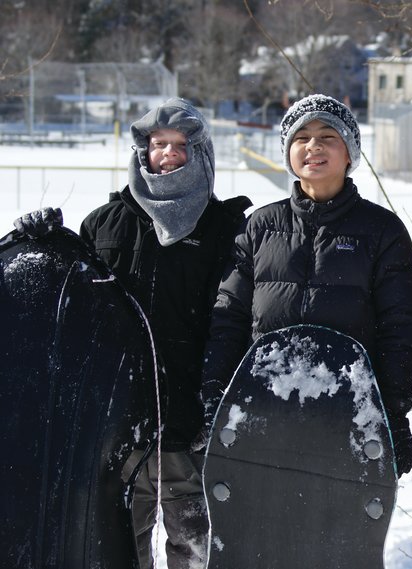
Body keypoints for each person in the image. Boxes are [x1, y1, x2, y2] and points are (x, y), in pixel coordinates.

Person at [14, 97, 251, 569]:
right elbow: (73, 303)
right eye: (157, 144)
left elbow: (238, 319)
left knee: (196, 543)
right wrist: (40, 242)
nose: (166, 154)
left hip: (193, 420)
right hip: (120, 422)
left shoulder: (226, 229)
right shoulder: (105, 224)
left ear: (200, 153)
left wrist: (217, 400)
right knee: (122, 542)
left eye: (179, 145)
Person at [201, 94, 412, 478]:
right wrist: (215, 396)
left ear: (350, 153)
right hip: (264, 410)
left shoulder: (381, 230)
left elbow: (399, 328)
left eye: (327, 137)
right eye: (301, 137)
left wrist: (392, 412)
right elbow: (230, 317)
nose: (313, 146)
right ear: (288, 152)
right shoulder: (259, 227)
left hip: (349, 414)